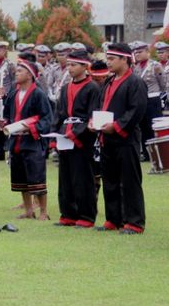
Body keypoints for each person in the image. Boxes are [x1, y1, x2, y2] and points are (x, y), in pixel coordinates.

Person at [90, 43, 147, 234]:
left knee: (130, 181)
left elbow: (136, 110)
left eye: (112, 59)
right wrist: (94, 121)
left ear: (125, 59)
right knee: (110, 179)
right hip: (107, 139)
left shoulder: (135, 82)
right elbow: (101, 105)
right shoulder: (109, 81)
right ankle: (113, 219)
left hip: (126, 138)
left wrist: (116, 126)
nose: (109, 62)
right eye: (108, 58)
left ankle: (134, 222)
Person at [0, 53, 53, 220]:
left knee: (36, 176)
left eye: (20, 71)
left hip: (33, 141)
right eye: (17, 70)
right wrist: (3, 121)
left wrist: (32, 128)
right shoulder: (13, 94)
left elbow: (47, 118)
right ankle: (29, 211)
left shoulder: (38, 94)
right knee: (21, 177)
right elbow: (8, 114)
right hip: (16, 140)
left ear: (30, 74)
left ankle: (43, 211)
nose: (17, 73)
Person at [54, 49, 100, 228]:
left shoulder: (92, 88)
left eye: (73, 65)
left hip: (83, 137)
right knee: (64, 176)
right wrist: (55, 133)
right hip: (65, 135)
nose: (69, 68)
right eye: (69, 65)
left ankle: (86, 215)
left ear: (85, 66)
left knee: (82, 176)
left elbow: (93, 115)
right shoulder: (66, 88)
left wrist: (77, 132)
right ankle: (68, 214)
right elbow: (59, 113)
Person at [131, 41, 164, 162]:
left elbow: (162, 84)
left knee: (153, 127)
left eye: (140, 52)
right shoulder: (136, 67)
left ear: (147, 52)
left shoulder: (155, 66)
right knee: (142, 127)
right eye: (136, 52)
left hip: (153, 100)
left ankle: (157, 155)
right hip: (141, 100)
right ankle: (145, 153)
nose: (137, 54)